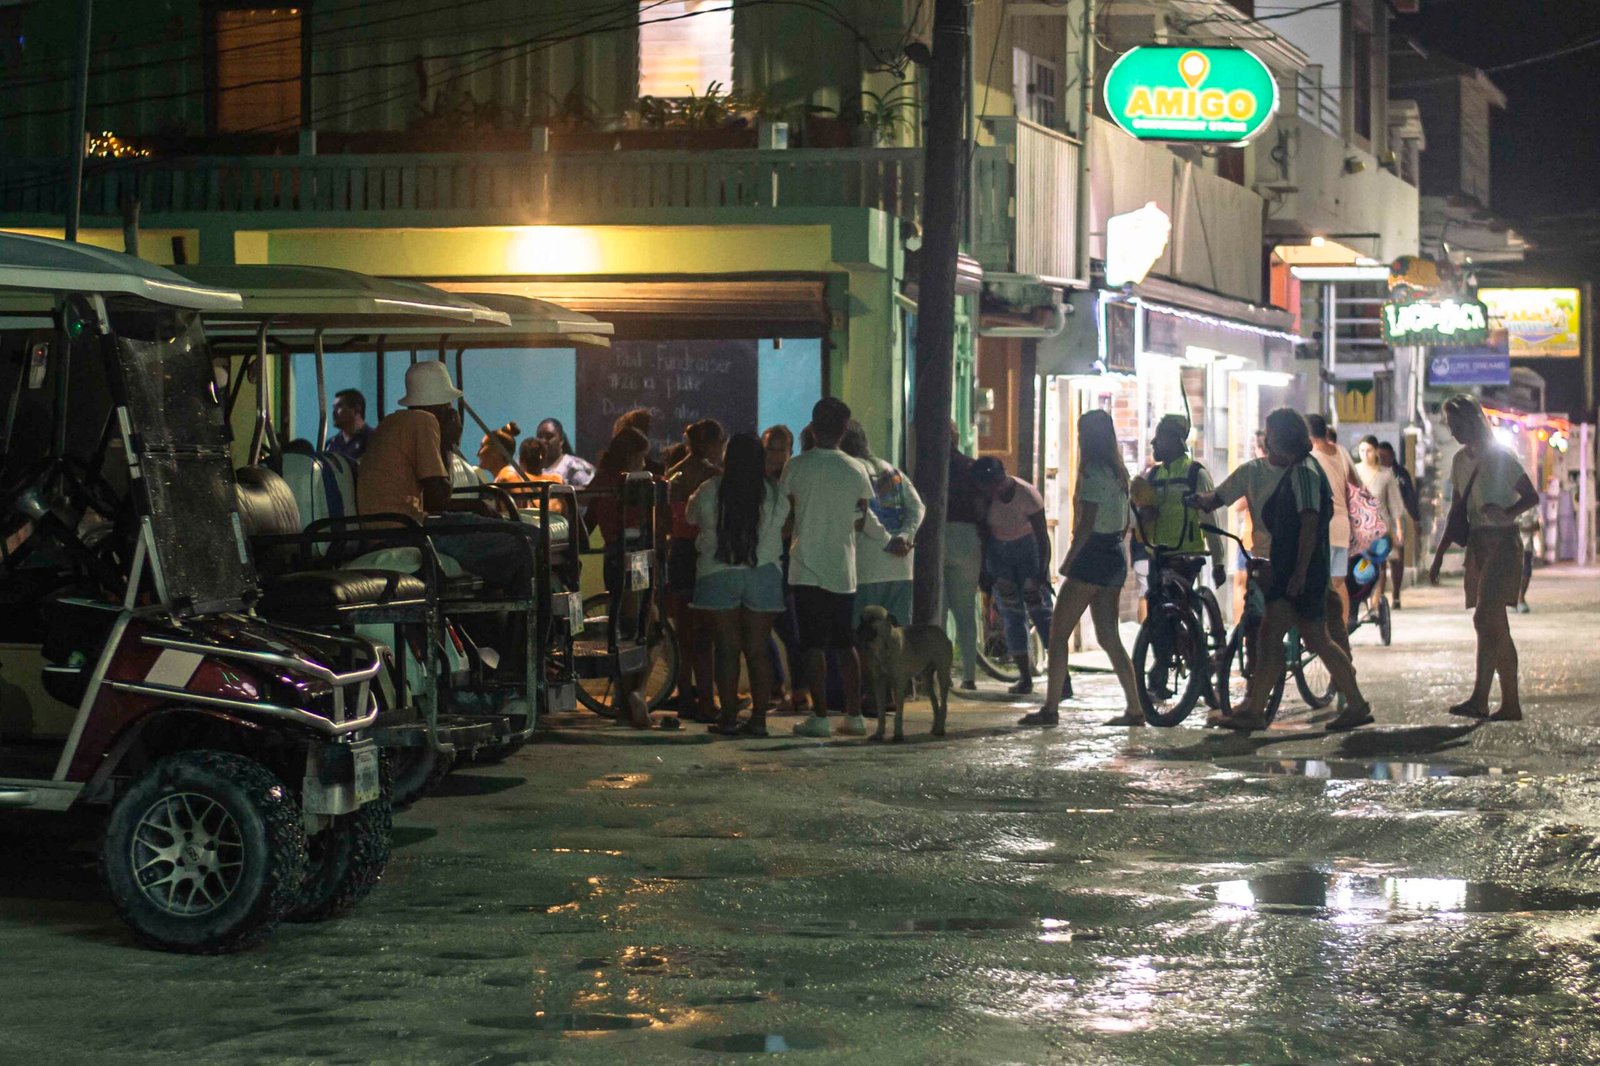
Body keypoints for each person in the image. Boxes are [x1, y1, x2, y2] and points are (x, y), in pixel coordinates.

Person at [357, 362, 538, 689]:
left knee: (521, 540)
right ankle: (514, 661)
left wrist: (474, 508)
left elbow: (433, 496)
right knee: (524, 544)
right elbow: (440, 495)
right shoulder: (424, 422)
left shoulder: (395, 422)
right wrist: (450, 441)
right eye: (448, 407)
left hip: (408, 524)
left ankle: (505, 649)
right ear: (439, 406)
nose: (452, 412)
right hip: (407, 531)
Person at [1193, 408, 1373, 733]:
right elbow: (1218, 497)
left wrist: (1300, 572)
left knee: (1310, 638)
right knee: (1274, 637)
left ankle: (1355, 704)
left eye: (1271, 432)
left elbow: (1308, 523)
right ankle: (1254, 708)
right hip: (1291, 569)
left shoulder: (1303, 472)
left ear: (1282, 436)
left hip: (1297, 570)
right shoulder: (1297, 468)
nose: (1267, 438)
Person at [1022, 410, 1140, 727]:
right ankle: (1135, 708)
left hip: (1092, 555)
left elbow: (1086, 523)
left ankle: (1050, 708)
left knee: (1058, 633)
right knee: (1109, 636)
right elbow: (1127, 520)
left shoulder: (1091, 472)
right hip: (1116, 553)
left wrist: (1068, 560)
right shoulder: (1119, 472)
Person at [781, 397, 888, 738]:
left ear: (811, 428)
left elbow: (785, 514)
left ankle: (820, 716)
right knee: (845, 643)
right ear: (844, 430)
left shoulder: (796, 467)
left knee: (812, 645)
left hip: (805, 565)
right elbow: (860, 519)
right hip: (843, 567)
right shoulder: (856, 470)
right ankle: (854, 716)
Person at [1429, 395, 1539, 721]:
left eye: (1456, 424)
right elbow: (1456, 510)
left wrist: (1507, 513)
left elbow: (1531, 495)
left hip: (1504, 544)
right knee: (1493, 626)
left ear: (1473, 420)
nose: (1454, 432)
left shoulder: (1500, 456)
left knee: (1484, 618)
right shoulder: (1460, 461)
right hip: (1477, 544)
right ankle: (1505, 703)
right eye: (1450, 426)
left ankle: (1485, 698)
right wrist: (1438, 556)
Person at [687, 432, 792, 738]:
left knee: (726, 648)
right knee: (758, 650)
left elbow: (691, 516)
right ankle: (759, 720)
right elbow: (785, 523)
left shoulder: (710, 489)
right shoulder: (773, 492)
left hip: (717, 574)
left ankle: (729, 716)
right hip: (763, 573)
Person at [1131, 414, 1225, 698]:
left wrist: (1219, 561)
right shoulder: (1153, 477)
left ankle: (1188, 666)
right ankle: (1167, 665)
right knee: (1156, 611)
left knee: (1177, 609)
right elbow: (1141, 520)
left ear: (1174, 440)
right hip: (1158, 555)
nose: (1153, 443)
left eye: (1158, 437)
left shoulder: (1196, 473)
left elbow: (1211, 521)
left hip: (1188, 555)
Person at [582, 426, 657, 728]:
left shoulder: (602, 480)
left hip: (612, 556)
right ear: (632, 456)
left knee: (625, 628)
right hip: (637, 557)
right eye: (641, 458)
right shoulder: (636, 483)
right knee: (645, 626)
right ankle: (634, 694)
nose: (643, 464)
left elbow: (588, 521)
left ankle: (627, 701)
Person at [664, 419, 727, 721]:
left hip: (677, 554)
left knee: (683, 632)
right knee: (705, 632)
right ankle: (707, 700)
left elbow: (666, 520)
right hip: (703, 554)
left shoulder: (672, 475)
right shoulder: (714, 476)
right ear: (714, 444)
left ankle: (684, 694)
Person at [839, 421, 921, 627]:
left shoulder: (851, 471)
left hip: (867, 566)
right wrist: (904, 537)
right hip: (901, 568)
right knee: (897, 638)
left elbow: (862, 514)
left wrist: (887, 541)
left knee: (865, 636)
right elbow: (917, 507)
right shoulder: (892, 471)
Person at [760, 424, 808, 715]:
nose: (776, 455)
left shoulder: (791, 481)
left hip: (785, 562)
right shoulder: (760, 480)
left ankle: (798, 693)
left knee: (790, 630)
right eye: (770, 448)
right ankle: (776, 686)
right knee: (761, 627)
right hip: (765, 562)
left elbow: (791, 526)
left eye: (781, 448)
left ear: (791, 451)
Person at [1307, 414, 1357, 658]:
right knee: (1338, 582)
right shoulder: (1341, 452)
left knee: (1322, 583)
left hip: (1322, 527)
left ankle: (1326, 632)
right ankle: (1342, 630)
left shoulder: (1310, 458)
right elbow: (1356, 485)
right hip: (1342, 525)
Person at [944, 427, 983, 691]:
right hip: (968, 536)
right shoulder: (971, 467)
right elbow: (982, 506)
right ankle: (969, 675)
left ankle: (938, 672)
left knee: (937, 608)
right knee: (965, 610)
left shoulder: (928, 465)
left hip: (938, 535)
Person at [1354, 433, 1405, 606]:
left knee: (1380, 562)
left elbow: (1395, 503)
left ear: (1375, 451)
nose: (1364, 454)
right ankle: (1360, 595)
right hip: (1358, 525)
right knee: (1359, 561)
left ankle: (1377, 599)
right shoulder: (1354, 471)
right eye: (1361, 450)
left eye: (1368, 450)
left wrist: (1399, 528)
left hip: (1380, 526)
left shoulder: (1385, 475)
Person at [1378, 441, 1420, 608]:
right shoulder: (1374, 473)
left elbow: (1410, 497)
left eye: (1385, 456)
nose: (1382, 459)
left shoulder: (1400, 474)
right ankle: (1379, 596)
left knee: (1397, 559)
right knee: (1379, 560)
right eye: (1379, 456)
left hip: (1396, 521)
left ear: (1392, 456)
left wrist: (1416, 519)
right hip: (1378, 522)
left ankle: (1396, 594)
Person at [534, 418, 595, 487]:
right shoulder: (528, 467)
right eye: (539, 437)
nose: (543, 441)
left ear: (561, 440)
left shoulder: (575, 467)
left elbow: (590, 492)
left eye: (549, 436)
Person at [325, 388, 371, 460]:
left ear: (356, 410)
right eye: (334, 408)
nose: (334, 412)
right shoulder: (331, 444)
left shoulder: (374, 440)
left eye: (339, 407)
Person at [1516, 506, 1540, 613]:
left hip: (1526, 545)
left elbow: (1537, 525)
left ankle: (1521, 598)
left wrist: (1526, 529)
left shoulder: (1531, 507)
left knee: (1526, 572)